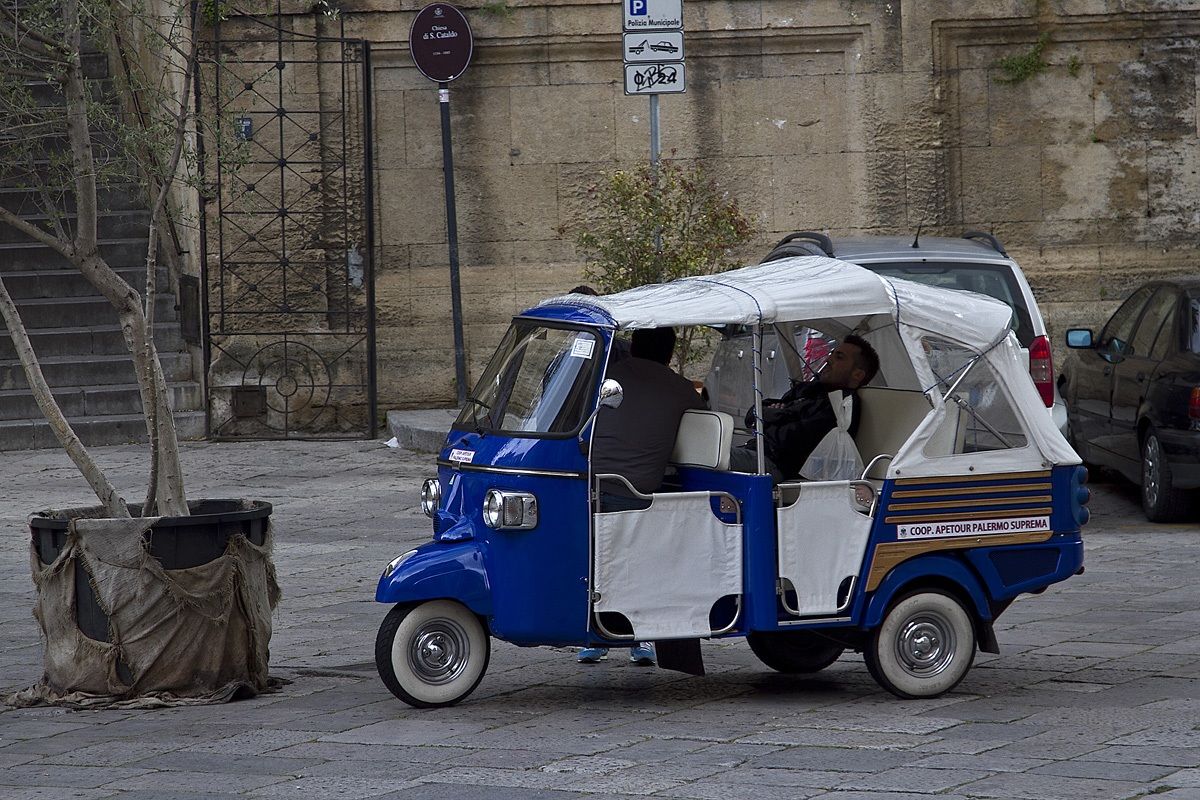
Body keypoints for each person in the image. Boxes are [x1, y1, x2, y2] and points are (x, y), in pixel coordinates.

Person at [578, 326, 706, 665]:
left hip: (586, 488)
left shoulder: (604, 378)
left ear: (632, 346)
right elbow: (704, 430)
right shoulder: (681, 390)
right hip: (636, 494)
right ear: (670, 352)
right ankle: (644, 636)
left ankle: (597, 635)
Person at [728, 334, 880, 483]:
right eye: (832, 354)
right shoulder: (808, 390)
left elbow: (790, 440)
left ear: (857, 374)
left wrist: (771, 418)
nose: (828, 360)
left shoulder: (841, 406)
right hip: (756, 452)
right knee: (710, 452)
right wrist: (777, 417)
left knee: (710, 456)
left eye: (839, 357)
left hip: (774, 465)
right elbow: (753, 413)